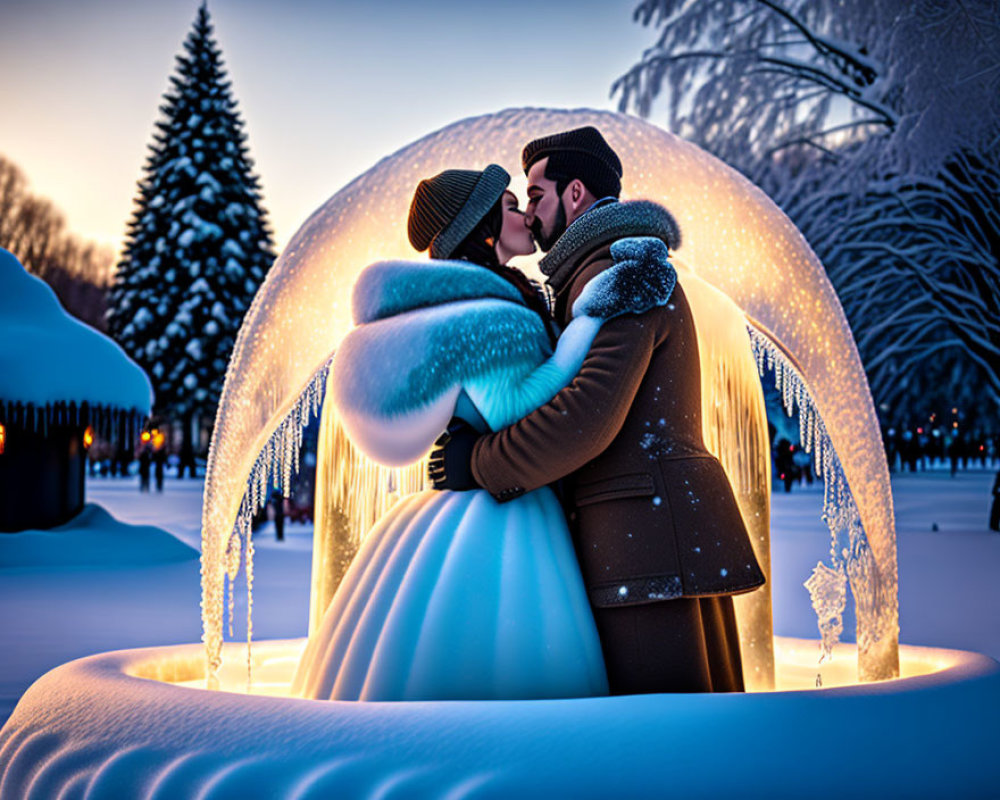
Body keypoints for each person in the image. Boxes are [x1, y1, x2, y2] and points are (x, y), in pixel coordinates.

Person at [293, 164, 677, 702]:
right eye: (508, 205)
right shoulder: (492, 316)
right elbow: (518, 407)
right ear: (483, 229)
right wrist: (593, 315)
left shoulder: (470, 303)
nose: (523, 211)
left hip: (469, 501)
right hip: (505, 506)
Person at [432, 127, 765, 694]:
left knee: (668, 752)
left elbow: (586, 415)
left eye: (536, 196)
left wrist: (482, 462)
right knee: (681, 744)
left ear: (577, 193)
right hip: (651, 543)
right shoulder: (598, 274)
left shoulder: (624, 274)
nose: (530, 212)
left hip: (650, 546)